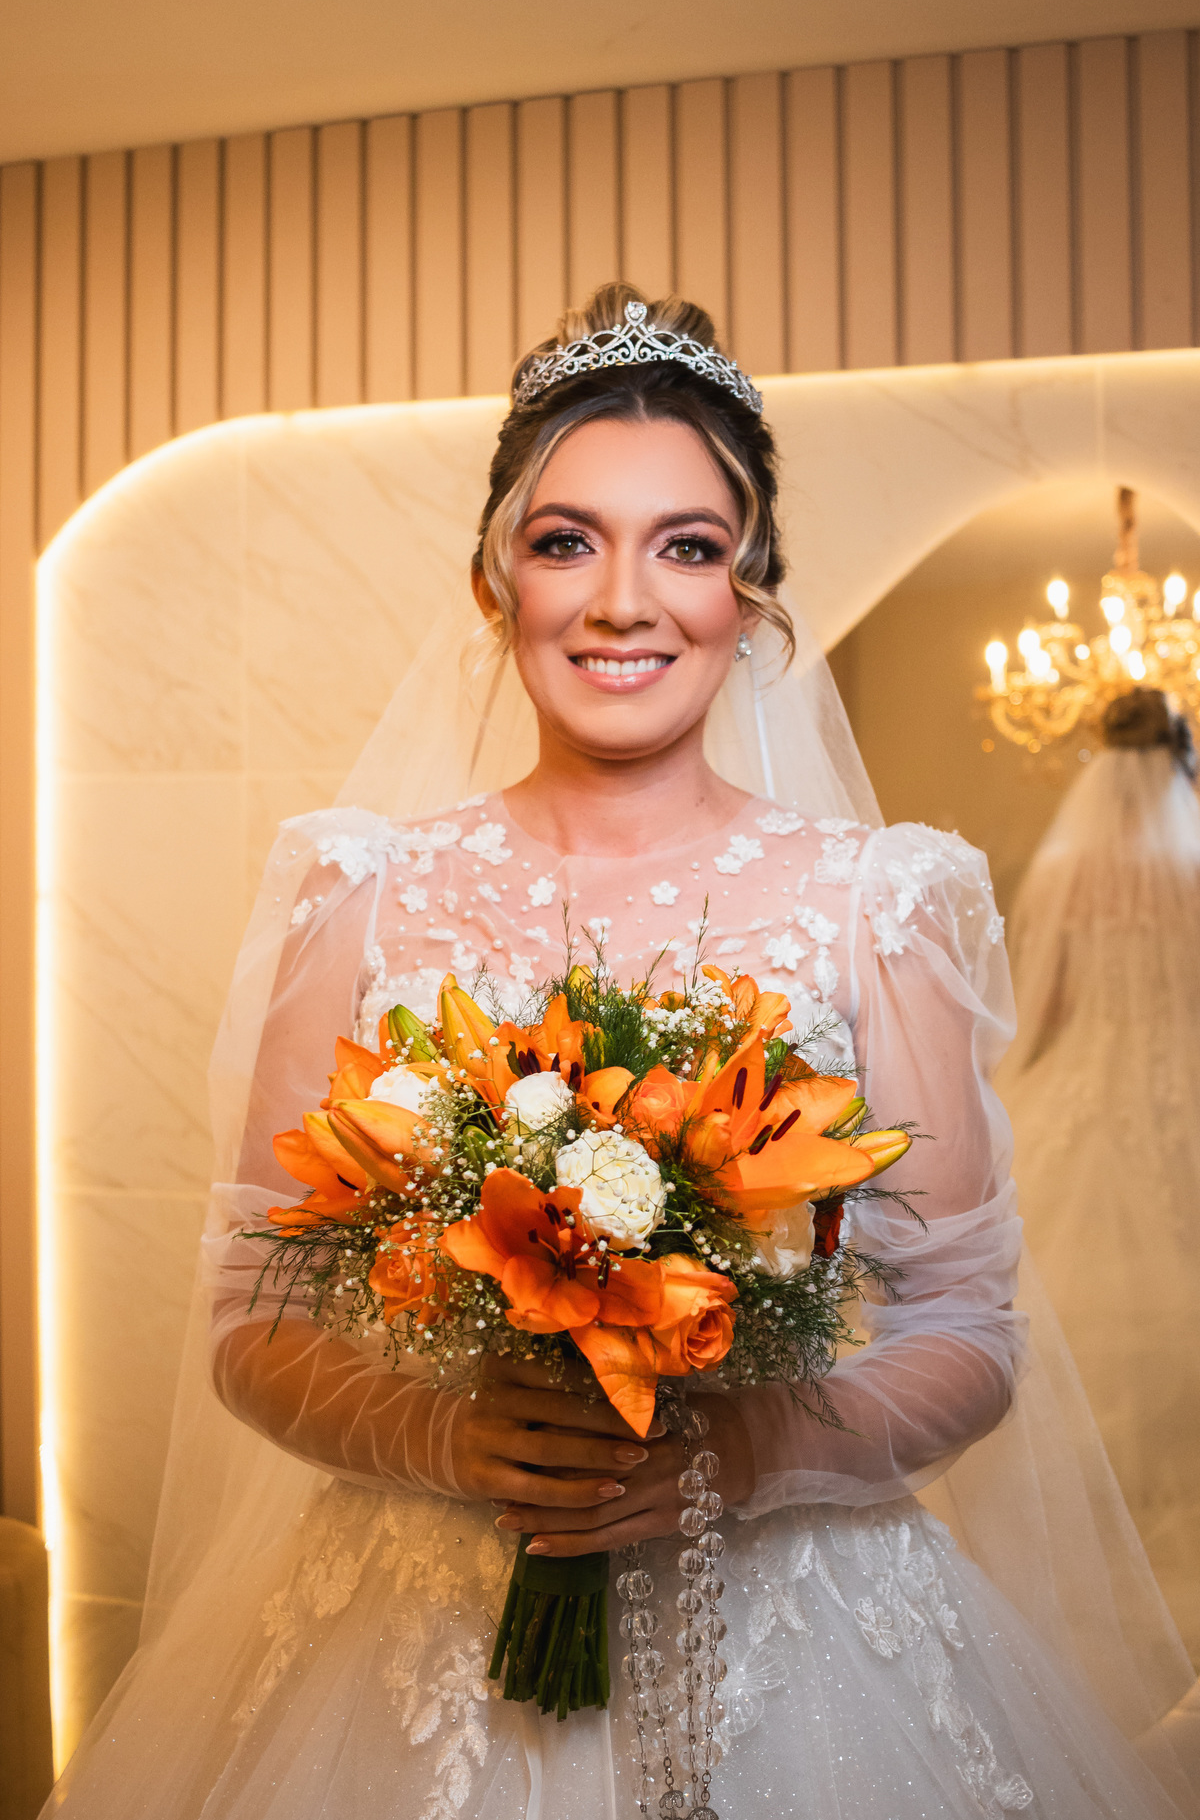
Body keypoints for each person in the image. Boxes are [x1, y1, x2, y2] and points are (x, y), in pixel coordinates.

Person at [44, 288, 1198, 1819]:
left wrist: (743, 1450)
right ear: (494, 582)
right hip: (410, 1642)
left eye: (688, 546)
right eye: (566, 541)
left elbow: (966, 1329)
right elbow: (256, 1313)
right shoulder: (358, 889)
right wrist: (447, 1433)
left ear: (753, 592)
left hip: (787, 1633)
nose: (622, 602)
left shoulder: (882, 902)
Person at [1000, 687, 1200, 1664]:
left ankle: (1092, 1507)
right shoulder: (1194, 867)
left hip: (1084, 1078)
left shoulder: (1067, 869)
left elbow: (1043, 1009)